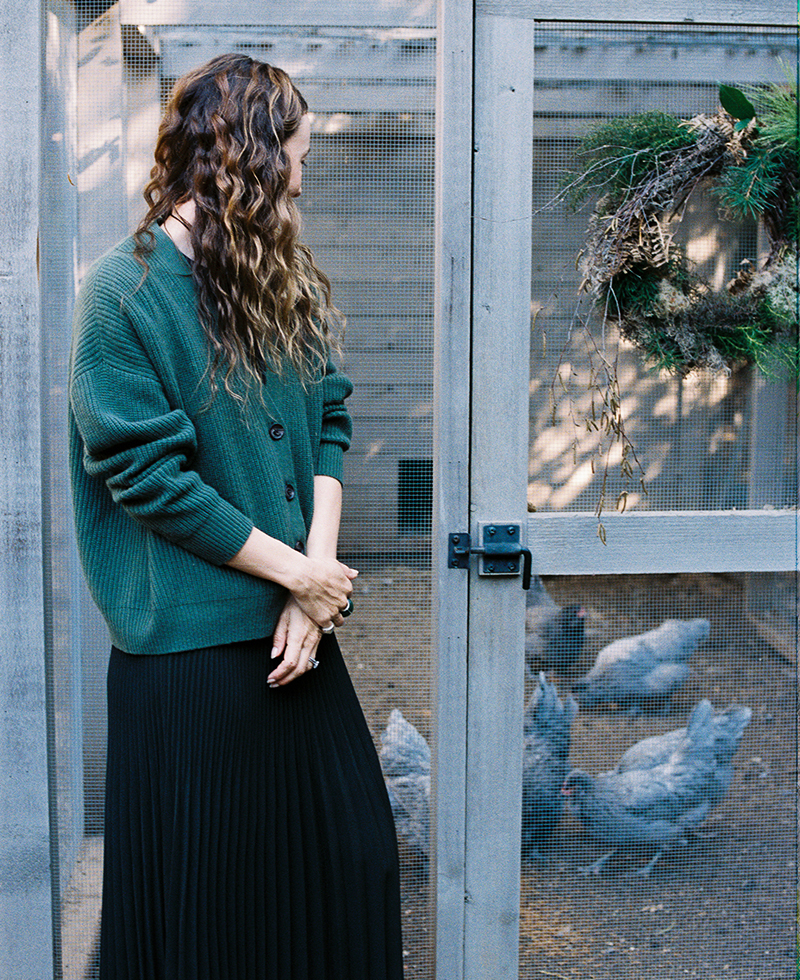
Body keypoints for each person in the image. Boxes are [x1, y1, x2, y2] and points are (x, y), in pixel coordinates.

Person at [69, 53, 404, 980]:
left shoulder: (275, 275)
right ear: (253, 156)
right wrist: (298, 575)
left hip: (296, 630)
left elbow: (329, 416)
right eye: (297, 155)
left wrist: (314, 586)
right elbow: (149, 478)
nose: (303, 177)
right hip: (191, 662)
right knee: (215, 916)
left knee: (356, 858)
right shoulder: (122, 293)